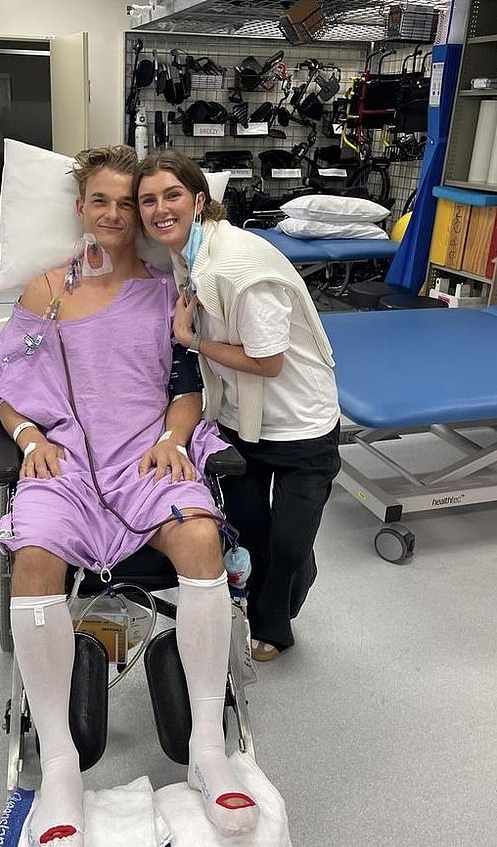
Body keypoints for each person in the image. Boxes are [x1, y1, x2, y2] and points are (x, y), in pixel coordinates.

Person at [0, 145, 259, 846]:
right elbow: (6, 394)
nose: (113, 214)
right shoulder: (46, 291)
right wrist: (29, 441)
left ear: (143, 213)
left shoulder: (172, 288)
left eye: (126, 203)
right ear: (80, 208)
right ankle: (63, 764)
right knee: (35, 556)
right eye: (99, 201)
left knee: (199, 538)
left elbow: (186, 384)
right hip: (67, 460)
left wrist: (174, 436)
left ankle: (205, 747)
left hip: (145, 453)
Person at [136, 150, 341, 663]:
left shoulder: (236, 266)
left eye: (173, 195)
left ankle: (274, 625)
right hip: (238, 421)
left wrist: (190, 339)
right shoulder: (187, 255)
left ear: (200, 200)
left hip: (300, 426)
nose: (160, 209)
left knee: (292, 547)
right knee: (251, 531)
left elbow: (268, 361)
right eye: (148, 200)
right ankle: (266, 600)